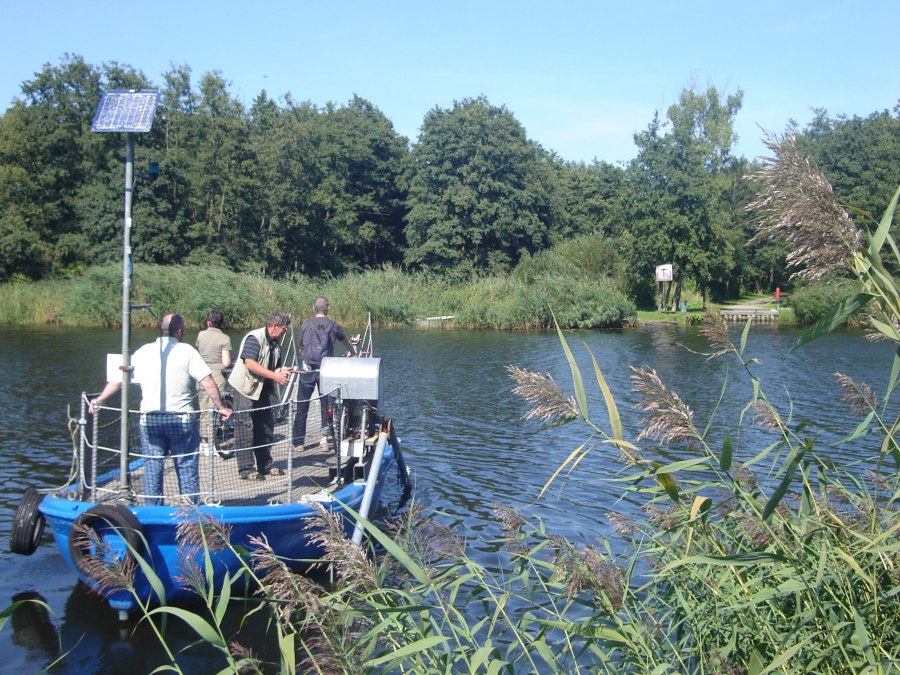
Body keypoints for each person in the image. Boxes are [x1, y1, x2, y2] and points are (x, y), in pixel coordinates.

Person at [90, 313, 233, 505]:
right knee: (186, 466)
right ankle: (189, 510)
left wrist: (100, 400)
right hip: (180, 419)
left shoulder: (143, 352)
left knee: (152, 466)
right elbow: (207, 381)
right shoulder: (187, 351)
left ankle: (152, 508)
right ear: (179, 332)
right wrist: (222, 407)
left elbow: (118, 379)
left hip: (150, 420)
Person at [228, 311, 292, 479]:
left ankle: (265, 465)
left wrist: (281, 371)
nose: (285, 332)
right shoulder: (254, 338)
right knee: (244, 428)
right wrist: (274, 376)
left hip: (262, 389)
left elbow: (273, 368)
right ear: (273, 326)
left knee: (266, 427)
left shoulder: (276, 342)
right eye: (284, 329)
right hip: (245, 389)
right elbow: (249, 363)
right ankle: (246, 470)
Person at [292, 297, 356, 450]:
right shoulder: (334, 325)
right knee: (326, 405)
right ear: (327, 310)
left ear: (314, 309)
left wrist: (304, 356)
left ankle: (298, 442)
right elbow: (345, 341)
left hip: (308, 370)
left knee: (302, 405)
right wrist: (352, 353)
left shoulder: (305, 324)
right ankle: (324, 440)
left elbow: (301, 346)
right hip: (326, 370)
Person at [195, 309, 232, 451]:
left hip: (201, 375)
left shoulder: (200, 335)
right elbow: (226, 362)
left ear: (209, 322)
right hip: (217, 376)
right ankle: (212, 442)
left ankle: (203, 442)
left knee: (203, 407)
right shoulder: (225, 338)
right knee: (215, 408)